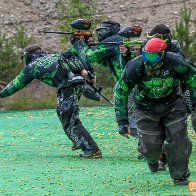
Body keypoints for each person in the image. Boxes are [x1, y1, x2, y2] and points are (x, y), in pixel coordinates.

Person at [114, 38, 194, 186]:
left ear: (163, 54)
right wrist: (122, 121)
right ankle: (153, 159)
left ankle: (180, 176)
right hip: (145, 109)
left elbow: (193, 79)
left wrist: (194, 104)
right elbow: (121, 91)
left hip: (173, 105)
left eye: (153, 56)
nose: (149, 60)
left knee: (178, 139)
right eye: (146, 56)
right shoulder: (135, 66)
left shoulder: (176, 62)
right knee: (150, 146)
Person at [0, 44, 102, 158]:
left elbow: (15, 85)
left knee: (69, 121)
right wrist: (92, 82)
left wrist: (1, 94)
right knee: (65, 114)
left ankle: (92, 149)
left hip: (67, 87)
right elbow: (78, 58)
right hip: (77, 84)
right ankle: (79, 141)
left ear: (28, 56)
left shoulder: (32, 66)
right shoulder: (55, 55)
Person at [72, 20, 139, 138]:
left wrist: (78, 43)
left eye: (102, 30)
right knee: (137, 119)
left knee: (133, 122)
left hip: (131, 88)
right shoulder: (118, 41)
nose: (100, 34)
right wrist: (87, 44)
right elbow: (103, 61)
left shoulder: (112, 41)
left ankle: (155, 147)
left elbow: (89, 57)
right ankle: (147, 148)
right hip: (135, 85)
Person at [145, 24, 196, 170]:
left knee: (178, 131)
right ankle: (160, 158)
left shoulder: (174, 52)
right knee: (158, 131)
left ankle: (174, 157)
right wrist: (125, 54)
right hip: (158, 96)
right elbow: (136, 67)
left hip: (180, 94)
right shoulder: (149, 48)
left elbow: (189, 75)